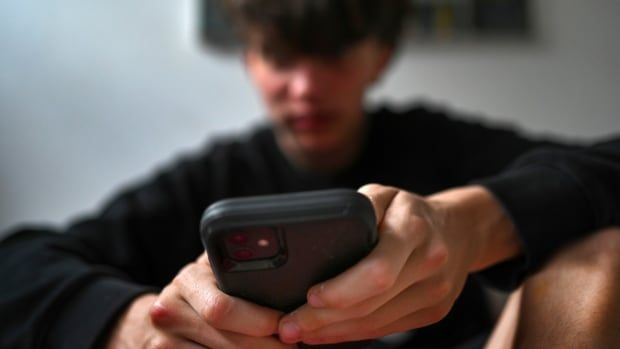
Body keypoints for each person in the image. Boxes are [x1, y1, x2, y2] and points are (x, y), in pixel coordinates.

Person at [1, 1, 619, 348]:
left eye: (332, 54)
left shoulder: (438, 145)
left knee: (605, 255)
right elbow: (17, 266)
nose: (306, 87)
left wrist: (471, 224)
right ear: (249, 62)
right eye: (280, 57)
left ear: (380, 57)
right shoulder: (213, 177)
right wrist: (130, 328)